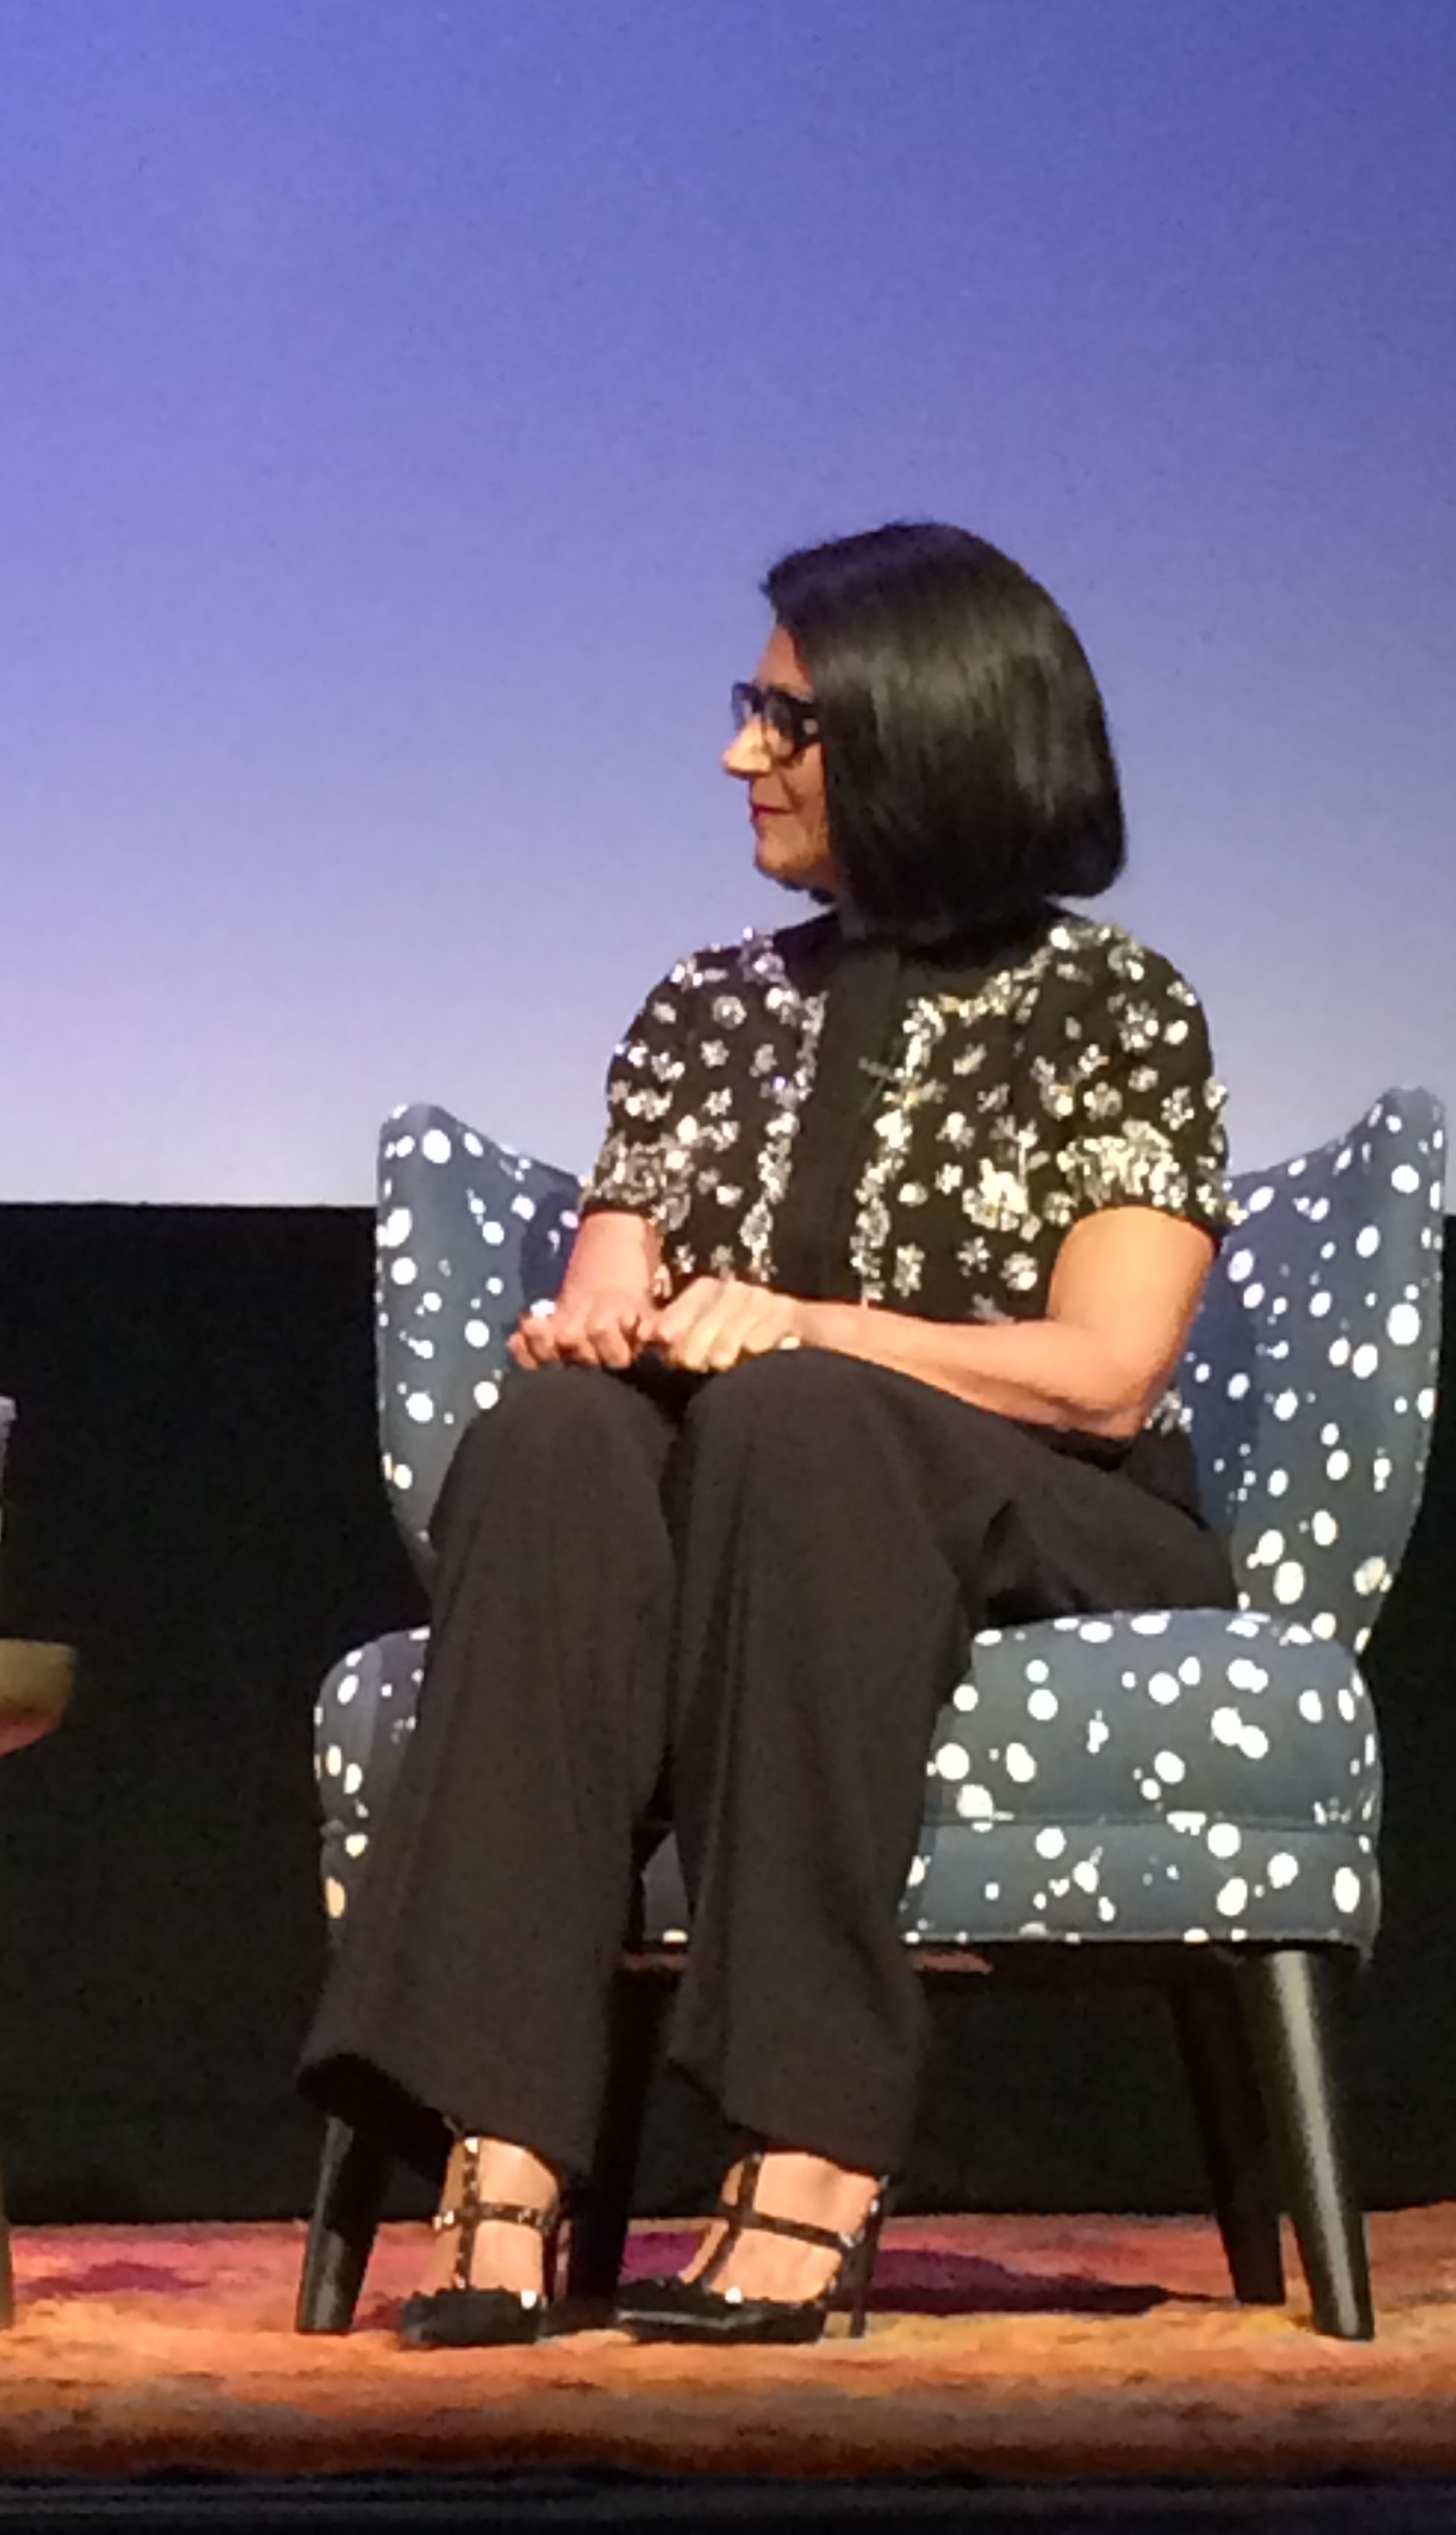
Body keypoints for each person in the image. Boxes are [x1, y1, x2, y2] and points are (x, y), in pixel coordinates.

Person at [300, 521, 1239, 2348]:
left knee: (801, 1418)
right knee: (560, 1441)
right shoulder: (705, 1006)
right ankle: (501, 2146)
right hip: (745, 1496)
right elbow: (612, 1278)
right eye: (754, 709)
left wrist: (809, 1326)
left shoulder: (1114, 1008)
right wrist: (594, 1330)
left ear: (926, 736)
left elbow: (1105, 1374)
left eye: (785, 720)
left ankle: (813, 2140)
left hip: (1044, 1515)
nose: (741, 752)